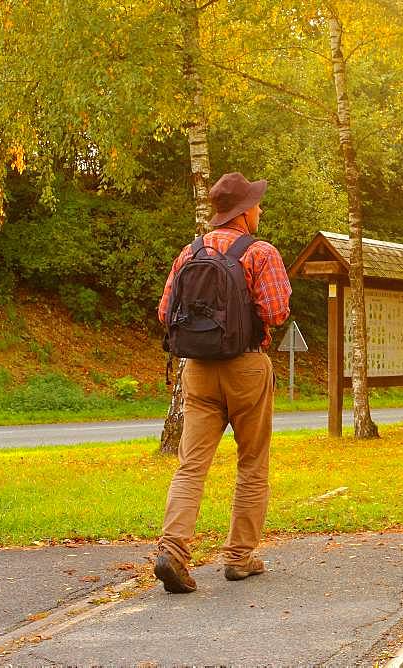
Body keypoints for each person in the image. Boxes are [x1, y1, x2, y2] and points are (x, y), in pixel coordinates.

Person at [153, 172, 291, 593]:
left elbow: (164, 313)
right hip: (246, 367)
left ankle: (173, 549)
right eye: (256, 204)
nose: (260, 209)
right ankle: (239, 556)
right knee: (252, 463)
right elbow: (277, 311)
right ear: (243, 212)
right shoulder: (260, 252)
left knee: (191, 464)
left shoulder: (188, 253)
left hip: (197, 370)